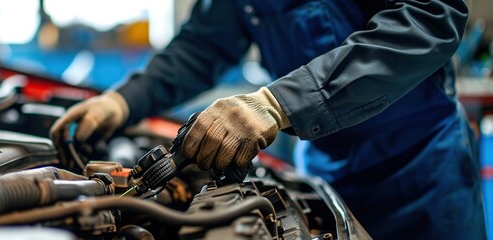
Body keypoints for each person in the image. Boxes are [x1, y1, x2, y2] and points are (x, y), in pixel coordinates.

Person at [50, 0, 486, 238]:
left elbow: (429, 18)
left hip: (423, 173)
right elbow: (201, 46)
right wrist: (123, 102)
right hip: (328, 170)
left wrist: (277, 103)